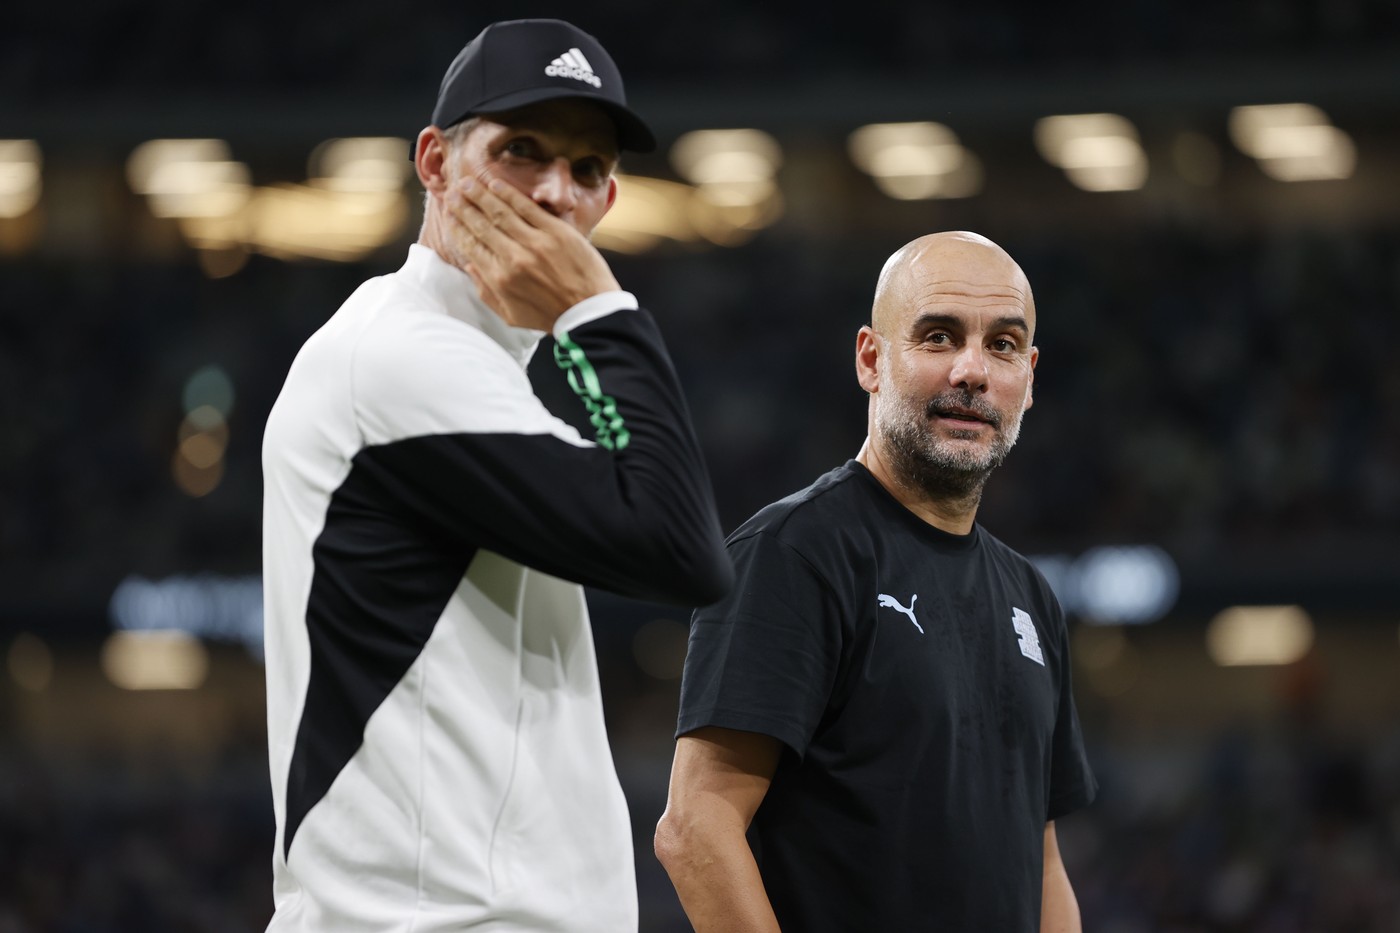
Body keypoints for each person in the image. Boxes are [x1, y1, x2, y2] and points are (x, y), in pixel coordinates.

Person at [260, 18, 732, 932]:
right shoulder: (397, 359)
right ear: (434, 162)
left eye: (588, 168)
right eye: (521, 150)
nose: (556, 192)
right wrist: (598, 309)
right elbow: (683, 551)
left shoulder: (464, 366)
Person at [656, 232, 1097, 931]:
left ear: (1031, 377)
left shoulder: (1031, 597)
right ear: (871, 358)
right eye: (939, 336)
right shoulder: (794, 554)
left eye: (1003, 345)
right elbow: (695, 828)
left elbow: (1041, 863)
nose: (972, 370)